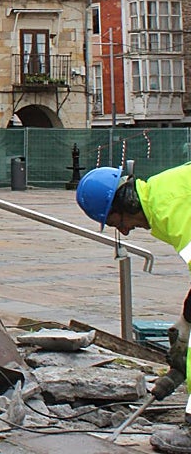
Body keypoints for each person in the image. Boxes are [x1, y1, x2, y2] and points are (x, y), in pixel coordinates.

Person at [76, 164, 191, 453]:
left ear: (127, 202)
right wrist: (186, 319)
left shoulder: (170, 207)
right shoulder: (163, 195)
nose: (125, 231)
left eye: (118, 223)